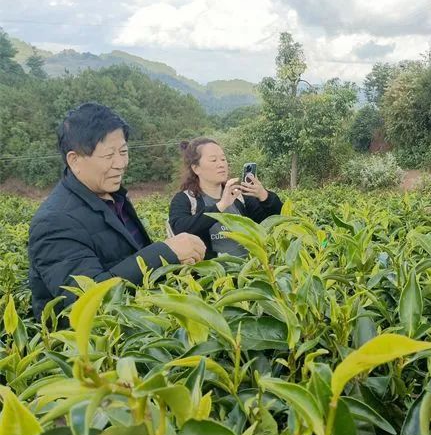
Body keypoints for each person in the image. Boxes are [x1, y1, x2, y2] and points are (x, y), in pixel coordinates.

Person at [28, 103, 206, 319]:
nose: (120, 163)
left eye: (123, 152)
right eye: (108, 155)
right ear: (74, 160)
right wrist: (165, 253)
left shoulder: (113, 197)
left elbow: (127, 258)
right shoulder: (54, 221)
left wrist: (173, 262)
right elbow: (86, 302)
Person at [168, 138, 282, 259]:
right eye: (213, 160)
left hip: (250, 271)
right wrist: (221, 206)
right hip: (215, 274)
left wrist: (264, 196)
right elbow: (180, 230)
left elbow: (275, 219)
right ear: (196, 168)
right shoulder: (185, 199)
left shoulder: (239, 196)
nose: (221, 164)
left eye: (223, 159)